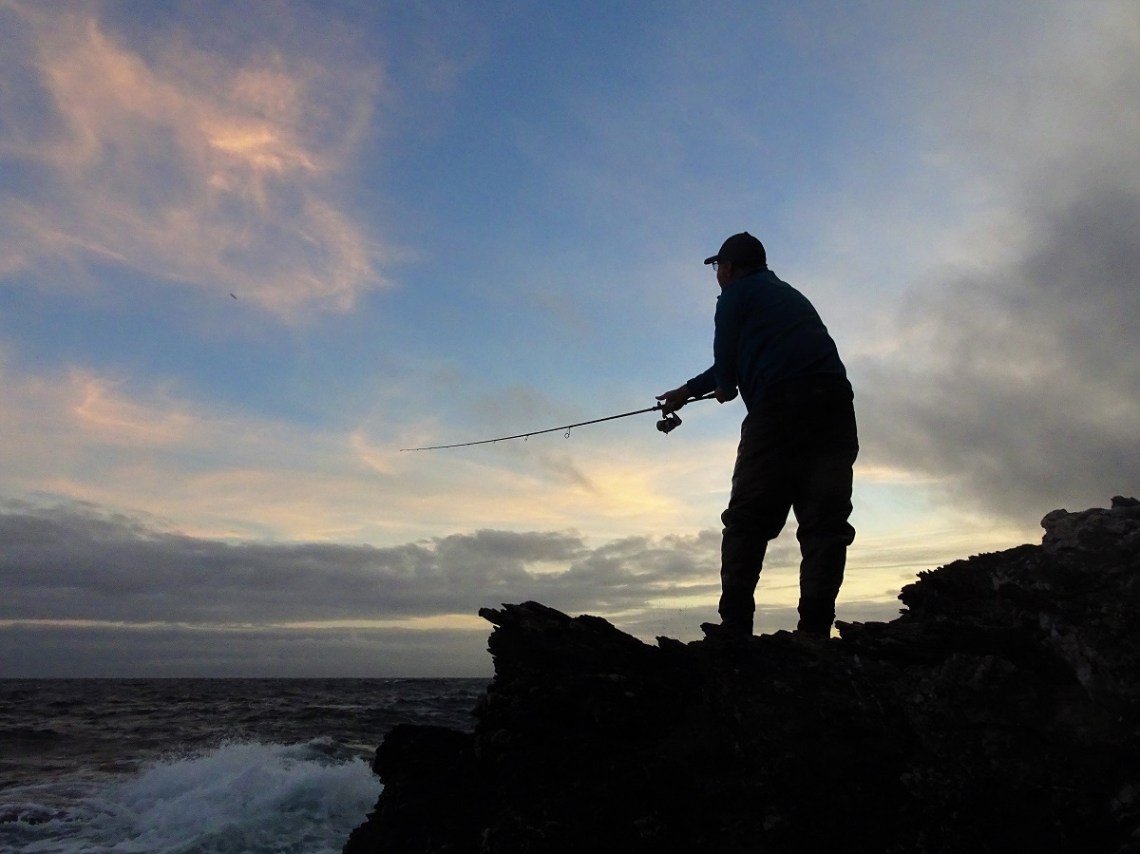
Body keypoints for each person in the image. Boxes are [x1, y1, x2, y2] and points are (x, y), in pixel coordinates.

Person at [657, 232, 858, 639]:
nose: (717, 275)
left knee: (747, 519)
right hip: (835, 408)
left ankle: (735, 628)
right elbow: (733, 363)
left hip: (781, 409)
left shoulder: (734, 296)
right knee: (825, 523)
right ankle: (815, 633)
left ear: (727, 268)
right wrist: (686, 392)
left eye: (717, 268)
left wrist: (726, 387)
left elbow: (726, 368)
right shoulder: (785, 296)